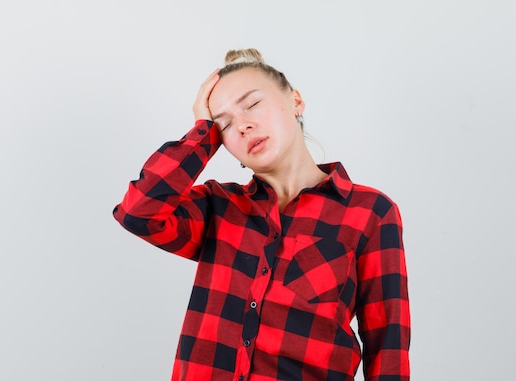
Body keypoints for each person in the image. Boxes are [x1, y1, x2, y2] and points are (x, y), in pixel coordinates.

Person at [113, 48, 410, 381]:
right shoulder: (217, 206)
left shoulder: (370, 212)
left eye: (252, 104)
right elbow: (138, 212)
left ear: (295, 101)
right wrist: (201, 133)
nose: (242, 126)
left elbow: (388, 345)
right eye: (223, 125)